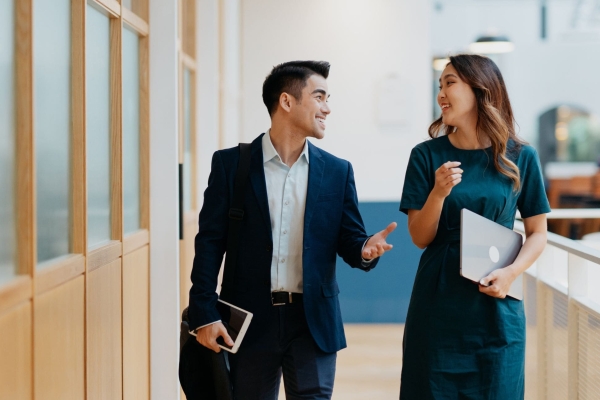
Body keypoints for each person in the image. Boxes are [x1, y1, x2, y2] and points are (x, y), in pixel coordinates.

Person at [187, 60, 397, 399]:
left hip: (312, 321)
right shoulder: (231, 166)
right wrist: (204, 312)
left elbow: (350, 238)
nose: (327, 108)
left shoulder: (336, 171)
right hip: (249, 321)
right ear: (287, 101)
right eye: (319, 97)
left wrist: (363, 248)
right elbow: (210, 243)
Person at [399, 54, 550, 399]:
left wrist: (511, 273)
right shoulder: (425, 156)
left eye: (450, 82)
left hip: (497, 306)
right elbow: (420, 237)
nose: (441, 93)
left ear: (481, 89)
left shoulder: (520, 156)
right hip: (438, 306)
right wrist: (438, 193)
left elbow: (538, 233)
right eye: (439, 85)